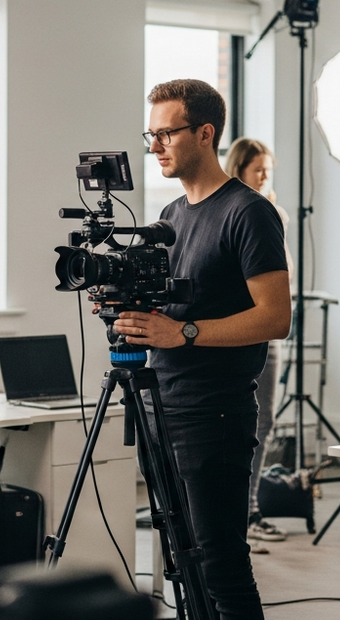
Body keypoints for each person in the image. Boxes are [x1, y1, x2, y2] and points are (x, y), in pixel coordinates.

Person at [113, 79, 291, 620]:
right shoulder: (170, 214)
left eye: (166, 133)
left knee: (220, 564)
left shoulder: (248, 212)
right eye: (152, 134)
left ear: (204, 133)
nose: (155, 145)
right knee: (179, 558)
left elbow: (275, 318)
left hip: (213, 411)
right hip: (159, 401)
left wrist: (182, 334)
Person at [223, 137, 290, 553]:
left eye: (268, 169)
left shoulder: (274, 213)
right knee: (239, 425)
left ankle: (250, 511)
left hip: (270, 335)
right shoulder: (236, 214)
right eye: (257, 169)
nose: (264, 176)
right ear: (239, 170)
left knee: (263, 425)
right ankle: (236, 517)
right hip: (237, 335)